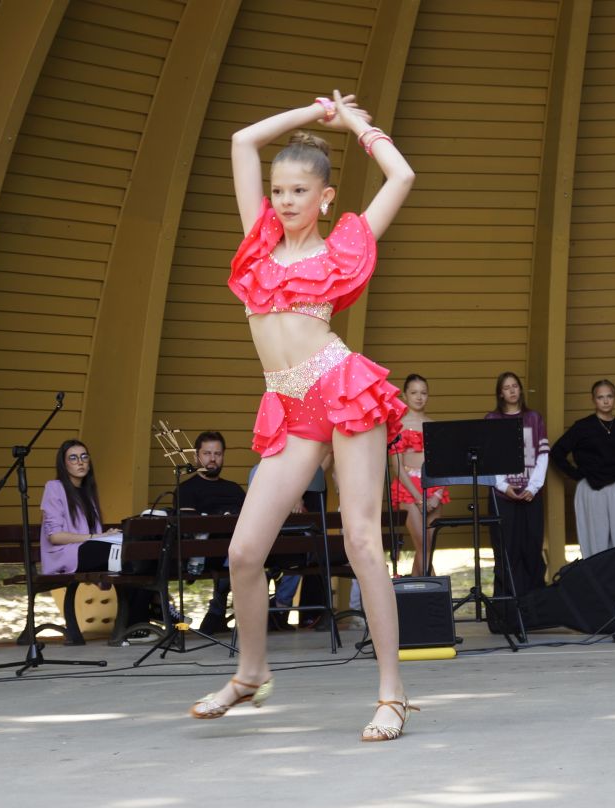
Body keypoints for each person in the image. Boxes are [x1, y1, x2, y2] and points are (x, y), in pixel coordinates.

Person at [189, 91, 416, 742]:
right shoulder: (258, 243)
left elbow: (401, 176)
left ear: (325, 197)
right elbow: (241, 141)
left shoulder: (341, 247)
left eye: (299, 191)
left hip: (339, 388)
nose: (285, 201)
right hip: (289, 405)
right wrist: (311, 114)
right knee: (243, 552)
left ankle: (393, 693)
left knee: (362, 541)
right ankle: (250, 672)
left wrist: (353, 124)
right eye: (279, 190)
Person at [550, 379, 615, 557]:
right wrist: (577, 474)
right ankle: (598, 574)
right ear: (593, 400)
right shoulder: (582, 427)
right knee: (596, 541)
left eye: (609, 396)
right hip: (591, 488)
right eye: (600, 397)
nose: (605, 401)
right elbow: (557, 452)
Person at [485, 371, 550, 597]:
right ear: (500, 393)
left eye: (515, 386)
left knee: (532, 549)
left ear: (520, 389)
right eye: (506, 387)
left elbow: (543, 455)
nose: (512, 390)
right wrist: (504, 486)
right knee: (506, 551)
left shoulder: (534, 418)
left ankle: (535, 603)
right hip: (503, 497)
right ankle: (507, 605)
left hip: (531, 495)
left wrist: (533, 487)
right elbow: (488, 458)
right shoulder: (492, 420)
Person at [175, 431, 245, 634]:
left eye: (218, 454)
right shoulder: (186, 490)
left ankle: (217, 613)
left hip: (236, 551)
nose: (212, 459)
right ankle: (217, 611)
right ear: (196, 456)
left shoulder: (234, 490)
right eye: (207, 453)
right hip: (203, 556)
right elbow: (189, 528)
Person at [390, 374, 450, 576]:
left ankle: (416, 591)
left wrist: (437, 494)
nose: (419, 397)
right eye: (414, 392)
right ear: (405, 396)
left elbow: (444, 466)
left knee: (428, 547)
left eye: (423, 393)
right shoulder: (398, 425)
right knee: (423, 544)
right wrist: (419, 498)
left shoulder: (433, 425)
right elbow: (397, 467)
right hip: (409, 488)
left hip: (433, 487)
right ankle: (435, 590)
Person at [40, 439, 121, 574]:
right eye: (73, 458)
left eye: (84, 457)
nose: (80, 462)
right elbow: (55, 537)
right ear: (64, 465)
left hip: (87, 549)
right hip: (66, 555)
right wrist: (98, 536)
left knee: (129, 551)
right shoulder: (54, 488)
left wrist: (107, 536)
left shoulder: (88, 493)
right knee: (118, 552)